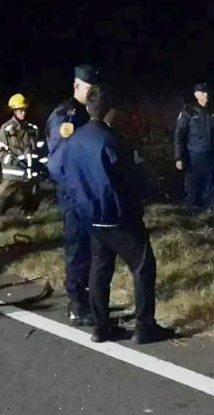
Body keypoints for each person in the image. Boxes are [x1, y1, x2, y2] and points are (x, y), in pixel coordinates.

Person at [58, 85, 176, 344]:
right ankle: (145, 326)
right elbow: (132, 179)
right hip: (118, 216)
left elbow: (61, 173)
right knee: (143, 265)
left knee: (100, 268)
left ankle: (100, 327)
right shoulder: (114, 141)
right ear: (110, 112)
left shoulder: (73, 140)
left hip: (90, 217)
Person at [46, 64, 101, 326]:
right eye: (89, 87)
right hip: (74, 195)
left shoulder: (94, 112)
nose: (93, 92)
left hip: (94, 194)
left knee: (95, 249)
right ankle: (77, 304)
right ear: (77, 85)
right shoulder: (65, 115)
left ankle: (91, 301)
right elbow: (58, 163)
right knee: (77, 248)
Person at [174, 82, 214, 212]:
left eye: (207, 92)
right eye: (202, 92)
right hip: (194, 156)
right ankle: (194, 216)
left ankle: (213, 213)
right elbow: (179, 135)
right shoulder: (188, 111)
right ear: (196, 95)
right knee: (194, 187)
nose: (206, 95)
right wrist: (179, 157)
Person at [0, 94, 43, 220]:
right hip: (13, 172)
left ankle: (29, 218)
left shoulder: (33, 129)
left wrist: (40, 165)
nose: (22, 113)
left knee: (32, 195)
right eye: (19, 111)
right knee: (4, 195)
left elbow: (38, 149)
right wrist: (14, 161)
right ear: (14, 111)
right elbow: (0, 151)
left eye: (24, 110)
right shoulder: (7, 128)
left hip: (30, 172)